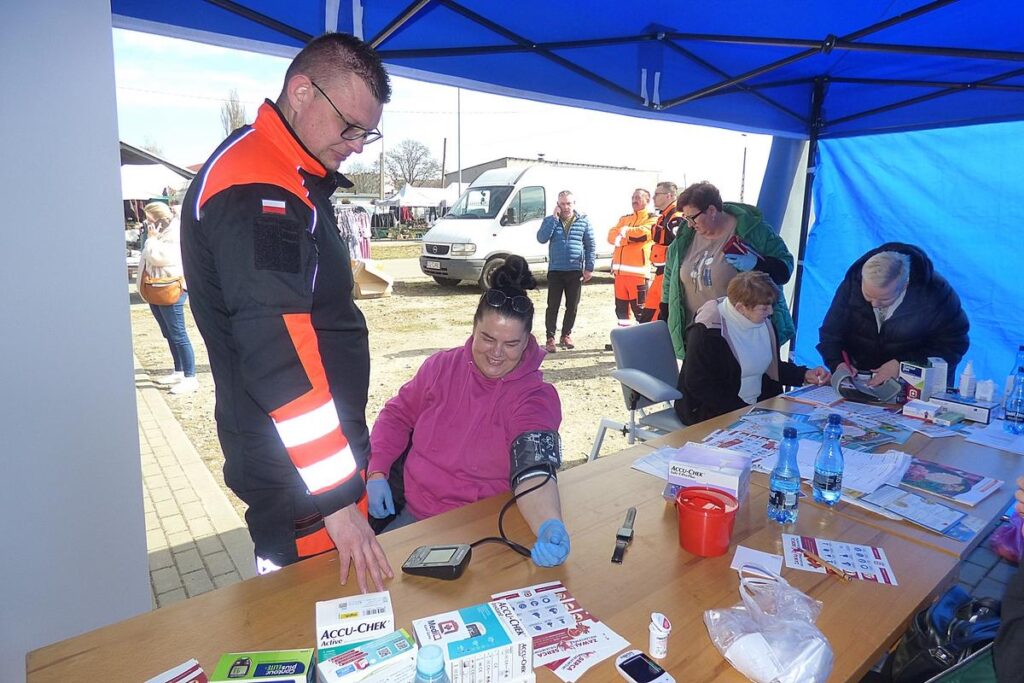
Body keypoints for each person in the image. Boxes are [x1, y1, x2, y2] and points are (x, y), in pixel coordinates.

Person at [179, 33, 393, 592]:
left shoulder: (284, 173)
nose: (357, 146)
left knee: (336, 615)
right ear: (301, 93)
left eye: (367, 133)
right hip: (300, 478)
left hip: (310, 465)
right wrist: (337, 498)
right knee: (311, 619)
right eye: (349, 127)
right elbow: (279, 355)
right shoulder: (258, 185)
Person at [366, 256, 570, 567]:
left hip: (483, 526)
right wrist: (377, 470)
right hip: (416, 516)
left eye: (511, 344)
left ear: (527, 341)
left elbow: (533, 469)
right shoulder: (440, 367)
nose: (496, 353)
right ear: (473, 328)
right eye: (487, 338)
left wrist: (548, 523)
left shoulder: (534, 397)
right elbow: (397, 416)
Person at [661, 181, 795, 360]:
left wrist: (757, 264)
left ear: (711, 210)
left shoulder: (754, 231)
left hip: (743, 338)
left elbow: (784, 270)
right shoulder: (684, 238)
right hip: (698, 337)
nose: (690, 224)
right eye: (686, 219)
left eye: (692, 218)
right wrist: (665, 317)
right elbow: (669, 281)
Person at [675, 272, 830, 425]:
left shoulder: (764, 323)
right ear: (741, 308)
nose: (771, 312)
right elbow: (698, 384)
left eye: (771, 305)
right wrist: (746, 412)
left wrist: (804, 375)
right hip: (712, 411)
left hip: (756, 407)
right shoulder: (706, 332)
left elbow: (771, 367)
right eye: (764, 308)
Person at [817, 243, 969, 388]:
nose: (874, 304)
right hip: (862, 384)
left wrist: (903, 365)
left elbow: (953, 345)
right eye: (868, 295)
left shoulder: (936, 294)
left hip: (917, 390)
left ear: (905, 285)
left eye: (884, 299)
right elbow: (831, 334)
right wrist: (838, 363)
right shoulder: (852, 284)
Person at [139, 201, 198, 395]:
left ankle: (190, 376)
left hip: (170, 286)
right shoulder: (160, 234)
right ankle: (179, 370)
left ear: (159, 219)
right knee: (168, 332)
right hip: (156, 286)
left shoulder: (173, 234)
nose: (148, 224)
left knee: (179, 334)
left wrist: (151, 240)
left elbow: (159, 258)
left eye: (150, 220)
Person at [536, 190, 595, 353]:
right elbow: (541, 238)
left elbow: (590, 245)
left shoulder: (583, 221)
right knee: (552, 306)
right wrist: (553, 219)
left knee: (572, 306)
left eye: (569, 203)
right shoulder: (550, 220)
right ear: (557, 205)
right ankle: (550, 338)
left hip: (575, 271)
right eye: (562, 204)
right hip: (556, 270)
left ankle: (566, 335)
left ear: (574, 204)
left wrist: (589, 268)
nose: (566, 207)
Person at [608, 188, 656, 327]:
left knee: (641, 311)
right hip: (620, 276)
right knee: (621, 312)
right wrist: (628, 237)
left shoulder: (652, 218)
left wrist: (623, 233)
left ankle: (644, 337)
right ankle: (625, 336)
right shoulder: (625, 219)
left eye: (638, 197)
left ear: (647, 200)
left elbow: (642, 234)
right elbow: (610, 236)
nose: (634, 200)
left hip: (638, 275)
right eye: (633, 197)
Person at [640, 181, 683, 323]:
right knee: (651, 310)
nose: (653, 198)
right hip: (661, 273)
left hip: (669, 274)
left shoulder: (676, 218)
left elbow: (683, 248)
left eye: (657, 194)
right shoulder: (664, 217)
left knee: (655, 313)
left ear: (669, 195)